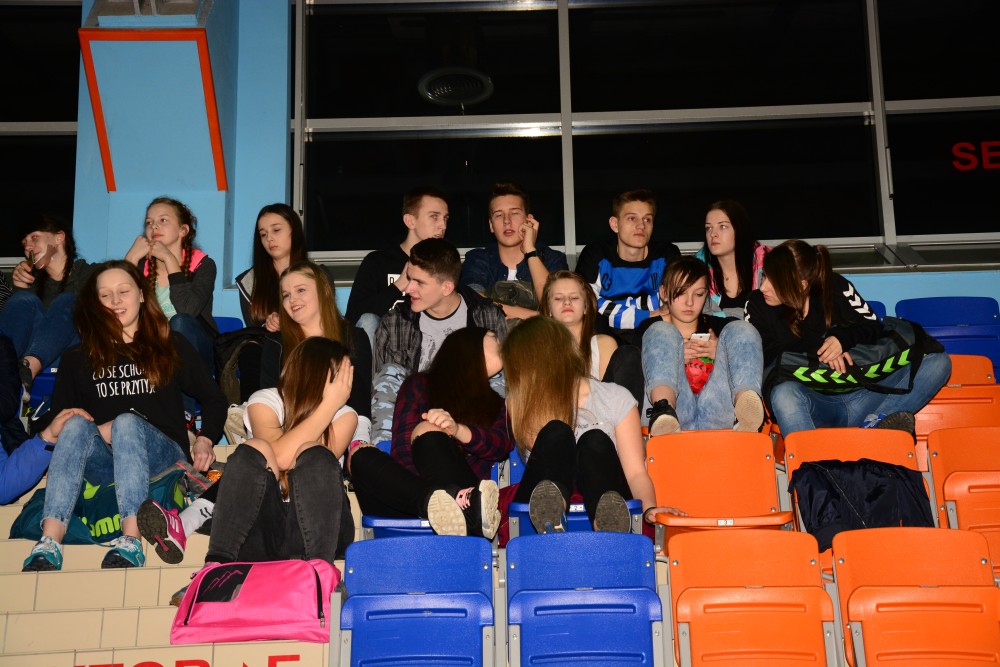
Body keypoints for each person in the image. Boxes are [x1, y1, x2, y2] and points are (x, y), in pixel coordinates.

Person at [138, 261, 372, 564]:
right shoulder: (276, 341)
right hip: (275, 458)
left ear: (324, 292)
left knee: (303, 456)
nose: (292, 300)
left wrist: (357, 438)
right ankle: (211, 558)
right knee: (254, 451)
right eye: (285, 295)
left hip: (318, 489)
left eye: (300, 290)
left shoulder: (351, 342)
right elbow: (273, 400)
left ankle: (193, 521)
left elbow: (356, 402)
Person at [21, 261, 226, 572]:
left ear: (141, 295)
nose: (115, 301)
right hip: (105, 463)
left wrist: (206, 438)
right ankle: (49, 541)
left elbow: (214, 398)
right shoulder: (77, 358)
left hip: (162, 458)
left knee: (126, 423)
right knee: (73, 424)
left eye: (123, 291)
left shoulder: (169, 344)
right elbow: (61, 420)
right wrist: (87, 431)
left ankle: (131, 539)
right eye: (105, 295)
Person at [745, 239, 951, 436]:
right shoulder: (757, 303)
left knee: (938, 363)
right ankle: (811, 460)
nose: (763, 287)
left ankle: (875, 426)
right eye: (764, 276)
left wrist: (841, 339)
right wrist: (822, 349)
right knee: (784, 394)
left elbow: (873, 326)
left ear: (801, 285)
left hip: (866, 392)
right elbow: (764, 354)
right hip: (816, 402)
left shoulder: (834, 286)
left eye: (773, 281)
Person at [503, 316, 673, 533]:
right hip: (537, 508)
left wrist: (649, 509)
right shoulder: (522, 402)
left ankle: (607, 522)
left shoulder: (615, 397)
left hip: (605, 491)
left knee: (595, 439)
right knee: (557, 432)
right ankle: (552, 514)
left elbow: (635, 473)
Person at [202, 337, 356, 565]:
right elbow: (279, 458)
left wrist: (332, 405)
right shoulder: (265, 399)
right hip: (267, 527)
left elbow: (307, 464)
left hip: (322, 531)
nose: (347, 382)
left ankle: (320, 569)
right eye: (342, 373)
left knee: (314, 452)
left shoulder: (345, 415)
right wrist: (329, 404)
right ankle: (217, 564)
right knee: (255, 448)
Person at [349, 327, 510, 538]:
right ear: (468, 345)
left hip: (466, 505)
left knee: (428, 430)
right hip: (409, 502)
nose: (501, 343)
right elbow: (402, 453)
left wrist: (458, 430)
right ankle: (436, 504)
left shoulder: (496, 404)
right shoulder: (419, 385)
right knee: (359, 454)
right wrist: (434, 499)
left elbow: (501, 446)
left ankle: (453, 504)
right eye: (493, 337)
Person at [371, 237, 506, 445]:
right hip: (415, 413)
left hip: (470, 416)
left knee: (499, 375)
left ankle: (492, 450)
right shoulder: (395, 322)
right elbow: (385, 389)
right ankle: (385, 452)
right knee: (389, 372)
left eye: (419, 282)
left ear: (446, 287)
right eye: (409, 278)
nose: (408, 288)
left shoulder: (486, 316)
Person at [640, 256, 765, 435]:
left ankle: (747, 409)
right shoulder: (648, 328)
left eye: (698, 294)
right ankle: (663, 409)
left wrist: (721, 353)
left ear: (706, 294)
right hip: (675, 416)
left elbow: (750, 352)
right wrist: (672, 357)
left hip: (719, 412)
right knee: (659, 330)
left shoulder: (721, 327)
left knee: (742, 328)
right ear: (664, 293)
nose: (690, 302)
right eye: (681, 293)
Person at [124, 197, 218, 381]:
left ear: (183, 230)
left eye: (163, 220)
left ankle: (183, 400)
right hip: (153, 351)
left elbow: (187, 310)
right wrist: (130, 261)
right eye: (149, 223)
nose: (154, 226)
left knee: (180, 321)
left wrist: (169, 259)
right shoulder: (141, 266)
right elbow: (117, 313)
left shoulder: (203, 265)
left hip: (197, 353)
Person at [0, 214, 94, 396]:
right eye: (24, 243)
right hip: (23, 360)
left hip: (75, 355)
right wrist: (20, 290)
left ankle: (26, 370)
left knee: (69, 300)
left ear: (59, 237)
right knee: (22, 300)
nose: (27, 246)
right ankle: (8, 372)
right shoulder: (30, 285)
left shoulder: (92, 274)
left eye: (34, 237)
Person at [346, 186, 449, 346]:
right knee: (367, 319)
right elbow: (354, 318)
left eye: (445, 218)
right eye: (434, 217)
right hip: (384, 349)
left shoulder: (446, 265)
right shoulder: (378, 262)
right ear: (410, 221)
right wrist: (399, 285)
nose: (443, 225)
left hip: (425, 347)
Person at [575, 189, 681, 344]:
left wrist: (612, 309)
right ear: (615, 224)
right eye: (632, 218)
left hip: (653, 335)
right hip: (606, 338)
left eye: (647, 219)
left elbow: (676, 301)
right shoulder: (596, 254)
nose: (641, 226)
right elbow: (586, 304)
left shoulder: (666, 255)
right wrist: (645, 315)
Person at [460, 182, 568, 320]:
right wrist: (536, 317)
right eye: (499, 215)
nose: (507, 221)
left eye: (515, 213)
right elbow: (473, 301)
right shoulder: (478, 259)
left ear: (529, 220)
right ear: (491, 225)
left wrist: (530, 251)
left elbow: (558, 304)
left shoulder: (552, 259)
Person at [539, 270, 643, 406]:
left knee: (629, 354)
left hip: (603, 413)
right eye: (558, 298)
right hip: (556, 413)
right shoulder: (538, 349)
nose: (567, 302)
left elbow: (610, 396)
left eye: (574, 298)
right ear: (548, 309)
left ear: (586, 307)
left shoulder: (603, 344)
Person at [236, 203, 308, 332]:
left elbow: (325, 321)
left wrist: (287, 323)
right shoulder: (248, 281)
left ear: (294, 231)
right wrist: (268, 325)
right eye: (263, 234)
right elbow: (253, 331)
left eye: (276, 230)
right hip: (268, 343)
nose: (269, 238)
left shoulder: (317, 275)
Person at [694, 200, 770, 318]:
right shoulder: (697, 269)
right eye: (708, 228)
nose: (713, 234)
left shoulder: (768, 264)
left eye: (722, 226)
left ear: (740, 229)